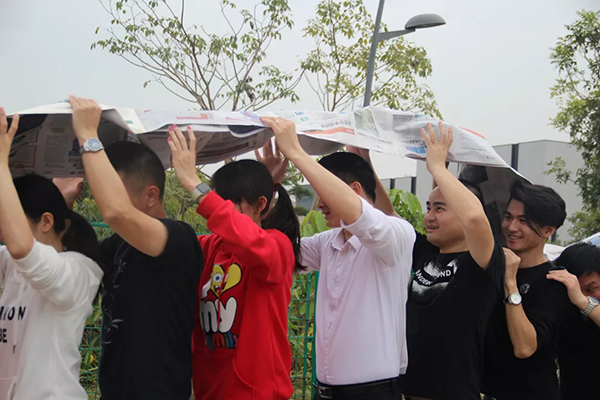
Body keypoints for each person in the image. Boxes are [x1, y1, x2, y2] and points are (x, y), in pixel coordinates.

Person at [259, 117, 415, 400]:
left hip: (373, 393)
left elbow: (364, 218)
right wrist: (271, 186)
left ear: (353, 191)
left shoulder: (397, 234)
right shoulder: (327, 242)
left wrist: (296, 153)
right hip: (325, 392)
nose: (318, 205)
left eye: (323, 194)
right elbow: (271, 248)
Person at [67, 97, 204, 400]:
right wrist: (63, 200)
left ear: (151, 195)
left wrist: (88, 135)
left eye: (113, 188)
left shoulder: (179, 239)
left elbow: (116, 213)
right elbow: (60, 262)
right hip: (114, 389)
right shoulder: (114, 247)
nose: (103, 197)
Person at [167, 126, 300, 399]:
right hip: (210, 390)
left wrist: (194, 183)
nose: (222, 209)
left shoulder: (276, 247)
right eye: (220, 201)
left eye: (230, 203)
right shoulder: (211, 246)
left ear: (260, 205)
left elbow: (249, 238)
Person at [388, 123, 505, 400]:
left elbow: (474, 218)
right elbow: (387, 215)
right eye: (429, 208)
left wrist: (437, 167)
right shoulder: (428, 253)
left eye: (439, 209)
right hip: (409, 391)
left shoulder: (482, 260)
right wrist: (363, 158)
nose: (429, 217)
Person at [0, 109, 103, 399]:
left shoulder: (77, 271)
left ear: (46, 222)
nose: (5, 232)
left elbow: (23, 248)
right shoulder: (12, 263)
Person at [482, 181, 571, 400]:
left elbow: (525, 347)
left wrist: (510, 283)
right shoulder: (491, 267)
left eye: (524, 221)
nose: (512, 227)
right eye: (508, 217)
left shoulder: (554, 281)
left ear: (548, 230)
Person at [550, 243, 600, 400]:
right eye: (574, 290)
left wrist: (583, 302)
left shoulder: (581, 302)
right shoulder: (562, 313)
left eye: (591, 289)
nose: (582, 296)